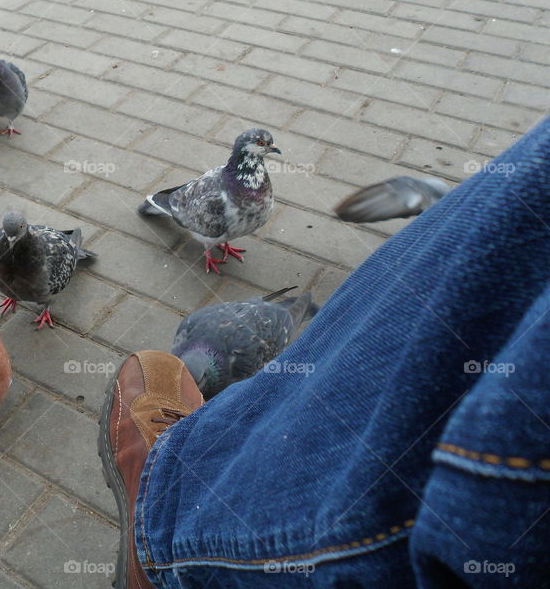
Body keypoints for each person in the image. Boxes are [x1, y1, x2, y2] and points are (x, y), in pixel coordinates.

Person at [99, 118, 550, 588]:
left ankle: (165, 538)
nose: (269, 150)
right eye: (261, 145)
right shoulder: (214, 208)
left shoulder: (209, 319)